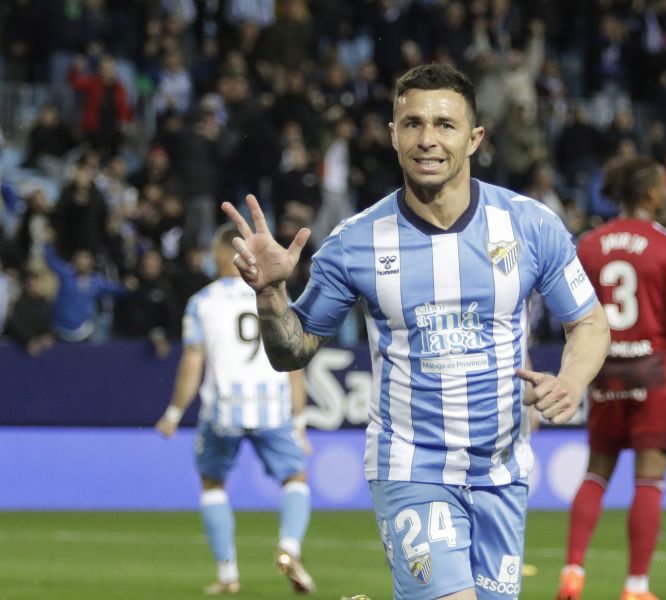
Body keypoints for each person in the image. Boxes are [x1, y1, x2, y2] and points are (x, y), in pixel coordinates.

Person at [222, 64, 610, 599]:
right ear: (393, 135)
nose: (428, 139)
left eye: (445, 125)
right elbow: (292, 351)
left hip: (503, 472)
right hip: (410, 466)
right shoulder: (355, 242)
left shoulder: (530, 225)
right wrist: (270, 295)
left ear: (474, 138)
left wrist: (571, 379)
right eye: (413, 124)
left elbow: (588, 321)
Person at [557, 156, 666, 600]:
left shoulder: (590, 245)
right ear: (650, 193)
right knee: (650, 480)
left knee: (596, 472)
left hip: (605, 372)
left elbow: (573, 314)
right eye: (663, 185)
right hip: (655, 375)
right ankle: (636, 587)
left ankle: (573, 571)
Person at [155, 225, 314, 595]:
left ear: (222, 254)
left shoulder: (202, 302)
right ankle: (289, 548)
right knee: (295, 478)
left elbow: (193, 362)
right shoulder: (275, 294)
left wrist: (174, 413)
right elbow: (295, 363)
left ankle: (228, 574)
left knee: (213, 484)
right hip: (272, 409)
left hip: (223, 411)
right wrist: (300, 421)